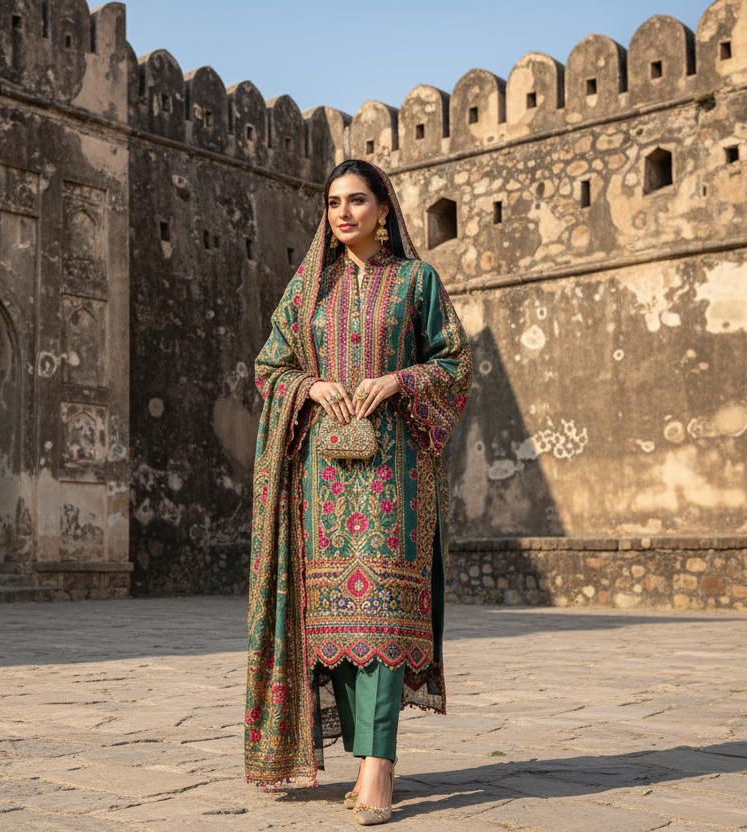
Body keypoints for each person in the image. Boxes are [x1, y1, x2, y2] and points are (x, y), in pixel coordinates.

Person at [245, 159, 472, 825]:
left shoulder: (415, 281)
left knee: (380, 614)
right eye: (334, 202)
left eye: (358, 200)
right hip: (320, 474)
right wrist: (309, 387)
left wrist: (402, 381)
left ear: (383, 208)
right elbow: (270, 366)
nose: (344, 213)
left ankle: (378, 767)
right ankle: (367, 753)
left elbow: (454, 362)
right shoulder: (308, 290)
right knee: (332, 624)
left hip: (394, 473)